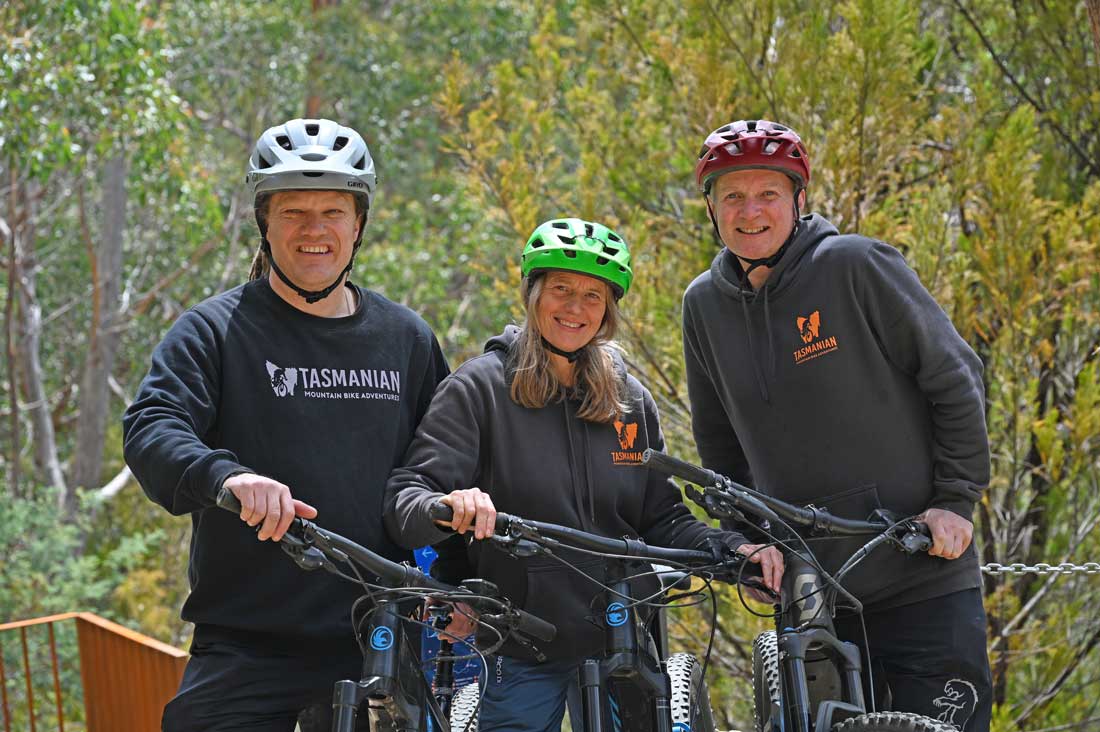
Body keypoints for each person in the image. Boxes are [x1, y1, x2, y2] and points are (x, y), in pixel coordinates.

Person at [123, 118, 449, 732]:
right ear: (264, 223)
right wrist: (227, 478)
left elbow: (444, 468)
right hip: (248, 641)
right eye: (294, 212)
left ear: (359, 225)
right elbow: (151, 427)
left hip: (379, 636)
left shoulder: (407, 339)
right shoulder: (214, 331)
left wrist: (457, 581)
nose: (315, 230)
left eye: (333, 211)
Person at [682, 119, 993, 730]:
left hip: (920, 572)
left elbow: (956, 377)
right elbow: (719, 446)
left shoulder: (855, 265)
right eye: (732, 196)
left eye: (768, 193)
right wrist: (746, 536)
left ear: (799, 199)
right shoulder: (703, 305)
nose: (750, 211)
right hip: (811, 596)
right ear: (711, 209)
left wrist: (956, 500)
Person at [384, 218, 746, 732]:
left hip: (620, 637)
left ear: (609, 310)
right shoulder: (481, 389)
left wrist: (732, 549)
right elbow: (407, 498)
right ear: (534, 295)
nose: (576, 308)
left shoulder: (628, 400)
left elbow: (659, 516)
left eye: (593, 295)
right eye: (561, 290)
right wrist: (449, 508)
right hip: (521, 640)